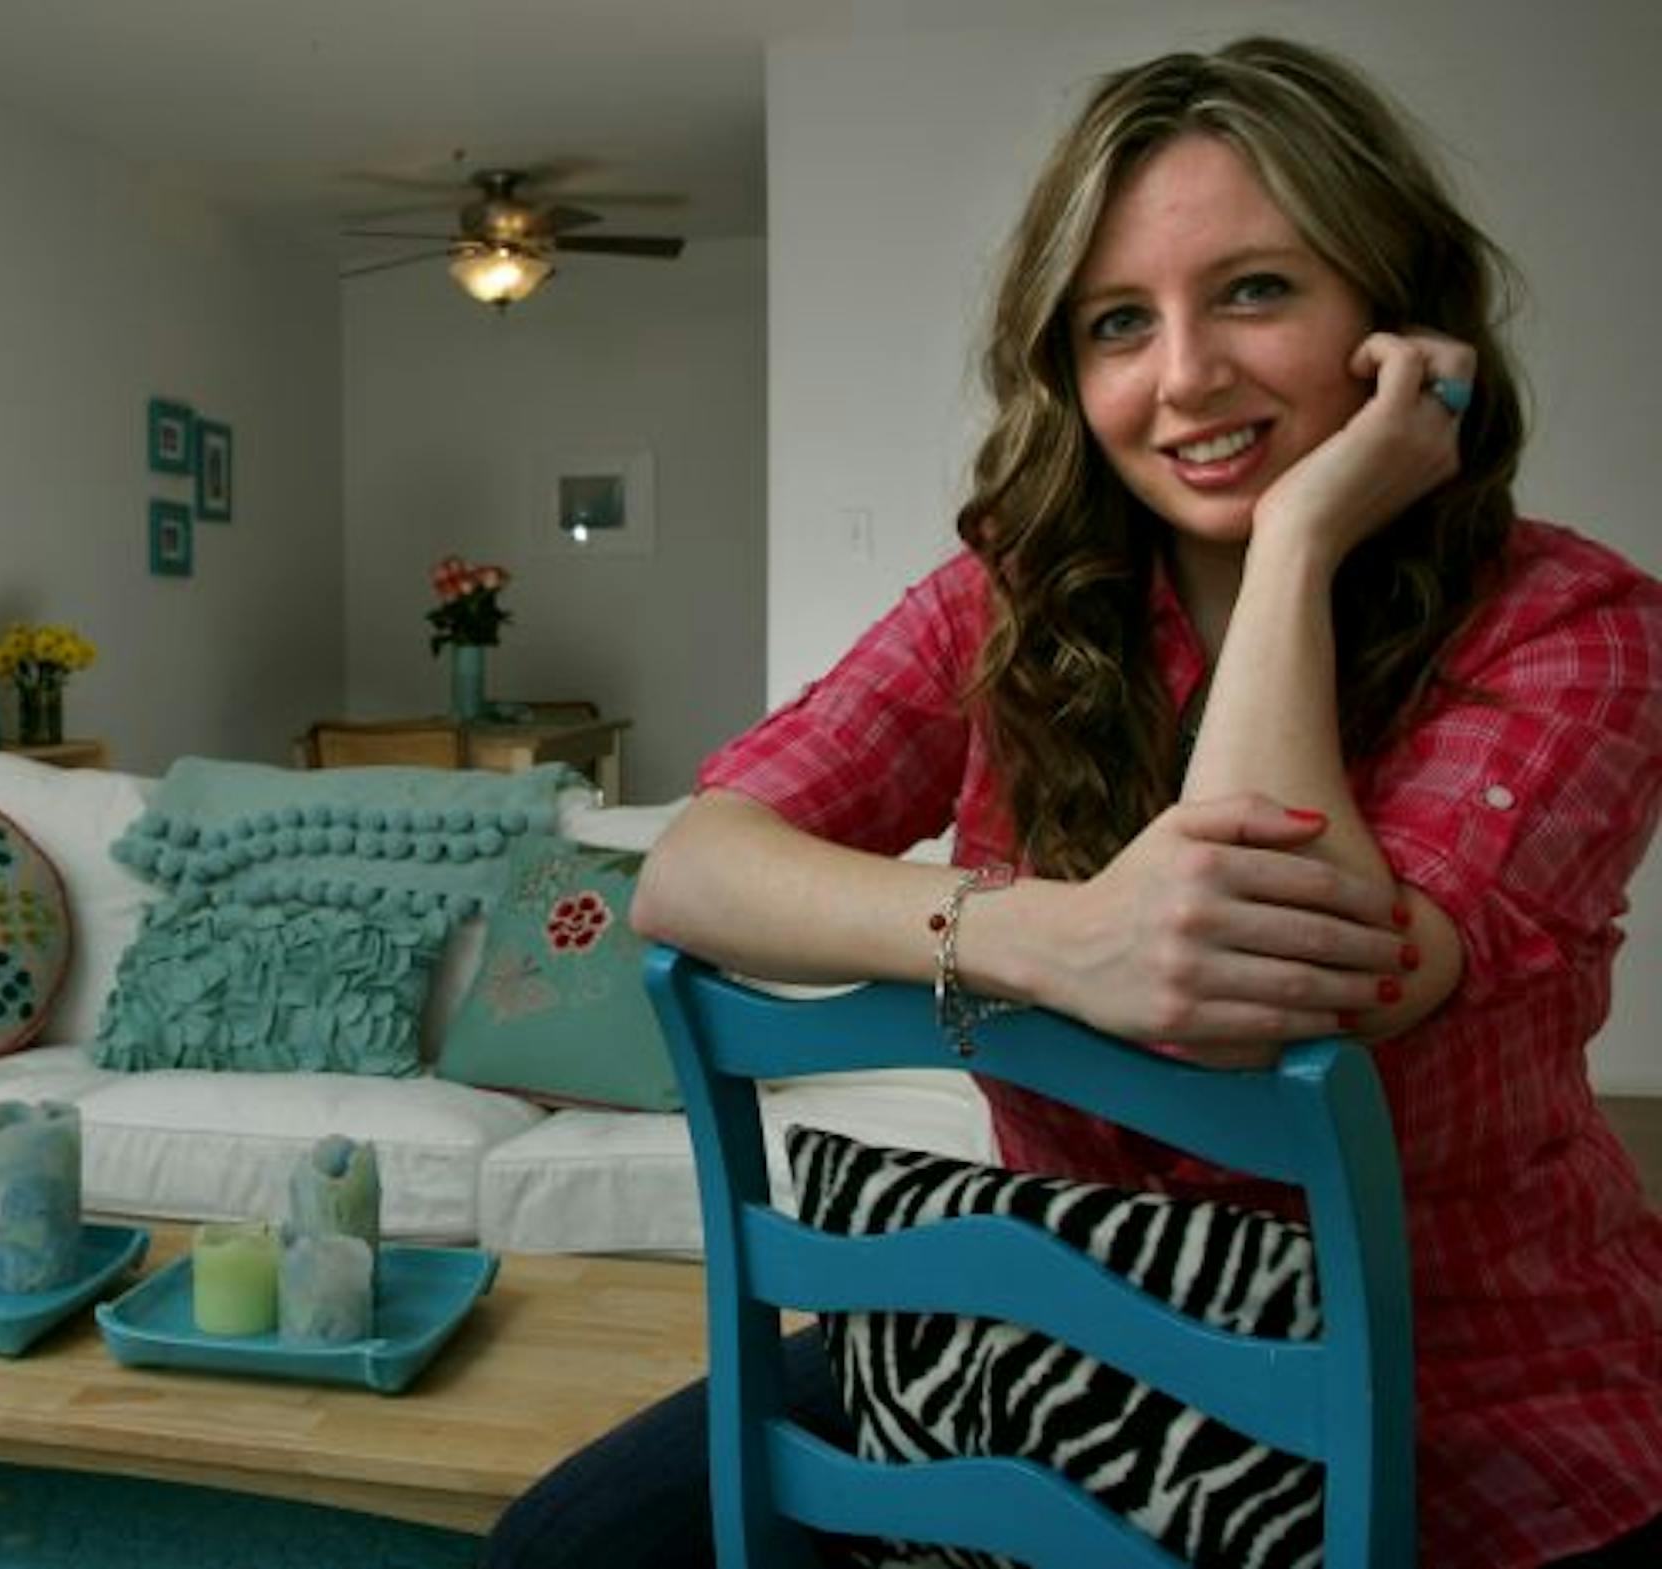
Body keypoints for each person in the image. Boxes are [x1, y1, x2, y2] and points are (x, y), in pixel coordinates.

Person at [482, 35, 1662, 1569]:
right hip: (1060, 1333)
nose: (1185, 377)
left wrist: (1299, 541)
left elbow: (1252, 1003)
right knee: (564, 1547)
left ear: (1397, 320)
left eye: (1255, 290)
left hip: (1470, 1400)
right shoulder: (1011, 602)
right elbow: (695, 866)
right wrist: (1048, 936)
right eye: (1119, 323)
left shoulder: (1580, 632)